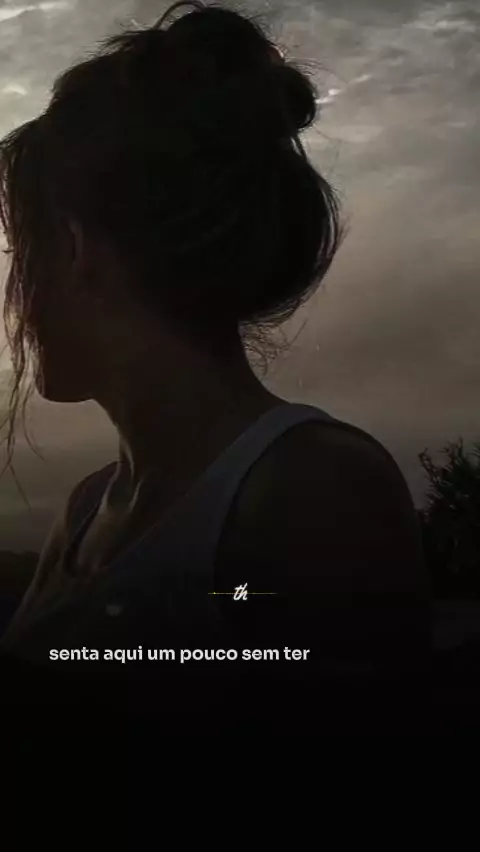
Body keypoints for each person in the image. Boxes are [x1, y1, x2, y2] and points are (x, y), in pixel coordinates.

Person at [0, 1, 428, 729]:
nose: (16, 297)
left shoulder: (314, 494)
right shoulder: (86, 509)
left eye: (21, 252)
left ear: (74, 248)